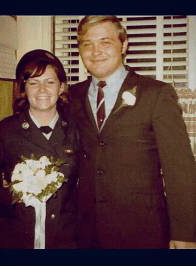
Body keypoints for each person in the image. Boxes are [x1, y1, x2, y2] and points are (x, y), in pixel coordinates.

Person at [66, 15, 196, 249]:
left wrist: (186, 232)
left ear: (124, 45)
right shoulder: (71, 97)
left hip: (142, 231)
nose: (95, 52)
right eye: (87, 44)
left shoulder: (156, 94)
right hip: (85, 232)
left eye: (105, 42)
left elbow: (180, 168)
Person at [0, 49, 79, 249]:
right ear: (24, 89)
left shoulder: (76, 130)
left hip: (64, 238)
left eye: (50, 82)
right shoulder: (5, 131)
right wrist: (18, 198)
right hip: (16, 236)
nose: (42, 89)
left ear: (61, 87)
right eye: (33, 82)